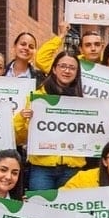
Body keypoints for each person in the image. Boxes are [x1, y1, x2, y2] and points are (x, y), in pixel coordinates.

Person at [14, 50, 86, 190]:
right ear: (54, 69)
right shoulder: (37, 98)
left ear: (77, 73)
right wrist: (21, 118)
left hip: (72, 168)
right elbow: (20, 138)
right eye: (63, 66)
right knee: (39, 210)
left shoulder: (84, 102)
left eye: (72, 68)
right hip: (42, 168)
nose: (67, 71)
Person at [35, 27, 105, 73]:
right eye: (88, 45)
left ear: (102, 47)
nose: (93, 49)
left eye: (97, 44)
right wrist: (62, 35)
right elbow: (41, 60)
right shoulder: (71, 64)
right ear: (81, 49)